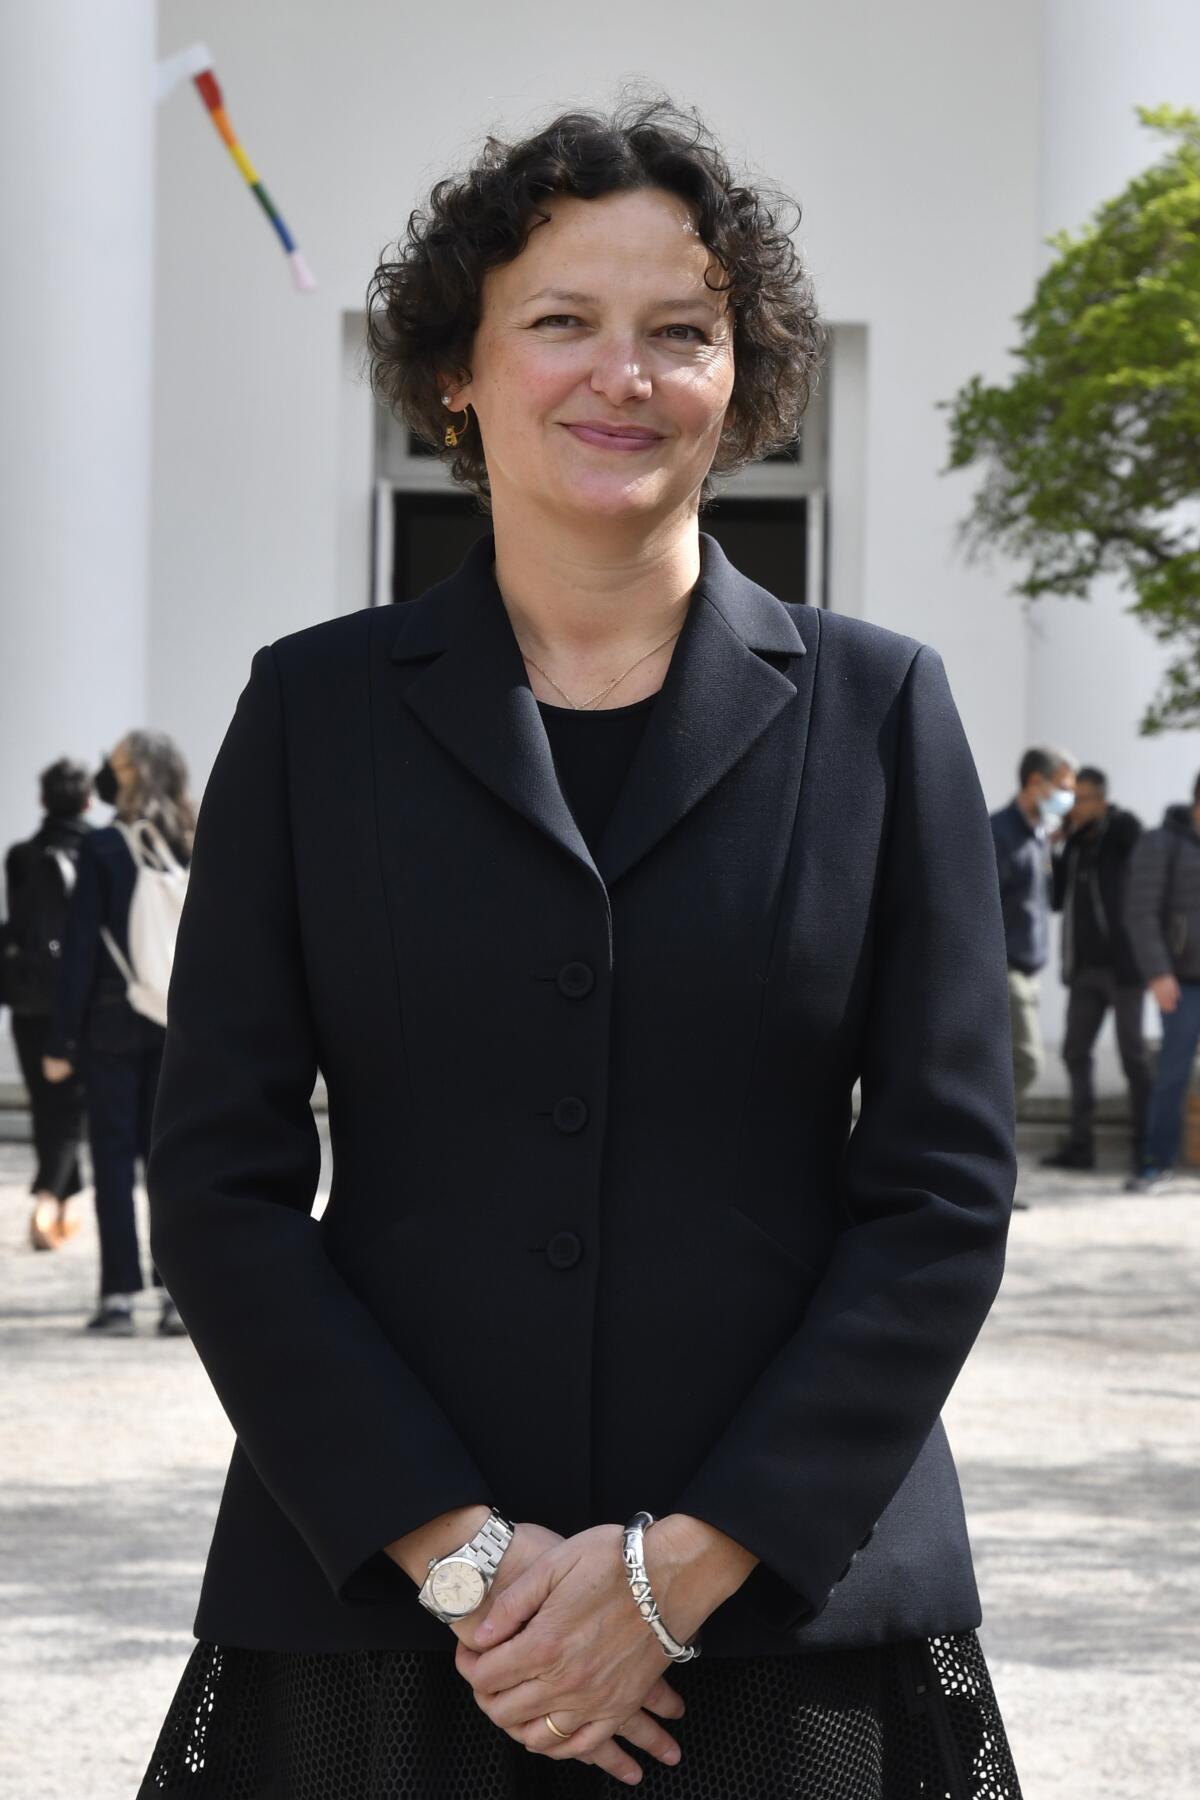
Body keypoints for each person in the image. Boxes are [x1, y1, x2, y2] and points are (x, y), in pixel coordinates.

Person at [138, 96, 1023, 1799]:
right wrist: (481, 1572)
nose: (621, 374)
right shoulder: (315, 713)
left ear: (741, 382)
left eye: (677, 333)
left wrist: (667, 1577)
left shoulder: (881, 708)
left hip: (788, 1621)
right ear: (457, 375)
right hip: (389, 1625)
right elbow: (222, 1179)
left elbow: (942, 1194)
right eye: (560, 323)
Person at [42, 732, 195, 1336]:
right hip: (179, 1023)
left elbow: (80, 951)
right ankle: (176, 1297)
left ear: (132, 774)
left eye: (117, 765)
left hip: (111, 1023)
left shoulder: (105, 846)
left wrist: (60, 1043)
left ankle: (118, 1297)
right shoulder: (194, 840)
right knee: (169, 1164)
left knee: (112, 1160)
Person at [1, 759, 92, 1250]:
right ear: (88, 801)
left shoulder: (19, 856)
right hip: (78, 1002)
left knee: (46, 1105)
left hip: (26, 1000)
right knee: (68, 1109)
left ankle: (62, 1210)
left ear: (41, 801)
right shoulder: (96, 852)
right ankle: (44, 1203)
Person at [1041, 766, 1148, 1172]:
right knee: (1075, 1052)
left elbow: (1133, 838)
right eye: (1075, 800)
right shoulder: (1075, 845)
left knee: (1133, 1056)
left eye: (1083, 798)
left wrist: (1102, 819)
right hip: (1085, 969)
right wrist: (1054, 848)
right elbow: (1055, 900)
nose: (1076, 807)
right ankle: (1081, 1148)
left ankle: (1146, 1148)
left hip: (1126, 968)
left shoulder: (1123, 832)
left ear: (1100, 800)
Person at [1123, 770, 1200, 1193]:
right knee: (1172, 1075)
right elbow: (1141, 912)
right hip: (1181, 984)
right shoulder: (1161, 843)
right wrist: (1157, 973)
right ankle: (1155, 1163)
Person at [990, 746, 1077, 1112]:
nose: (1067, 798)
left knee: (1007, 1065)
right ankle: (981, 1132)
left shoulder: (1039, 835)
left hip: (1029, 974)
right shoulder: (1001, 832)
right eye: (1063, 787)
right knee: (1029, 1062)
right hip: (1006, 971)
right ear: (1035, 782)